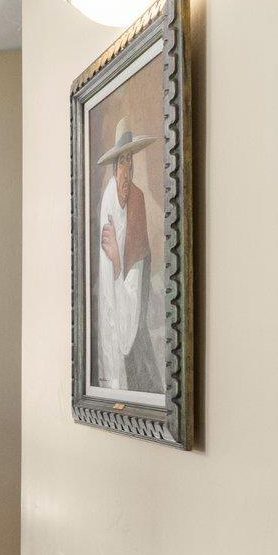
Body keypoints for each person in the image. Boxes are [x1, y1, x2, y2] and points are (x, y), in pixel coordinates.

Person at [93, 118, 168, 393]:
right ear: (114, 168)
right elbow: (107, 296)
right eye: (122, 163)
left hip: (137, 287)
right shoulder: (109, 200)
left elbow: (134, 271)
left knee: (140, 360)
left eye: (130, 162)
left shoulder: (136, 200)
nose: (128, 170)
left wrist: (116, 261)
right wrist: (112, 261)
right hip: (122, 293)